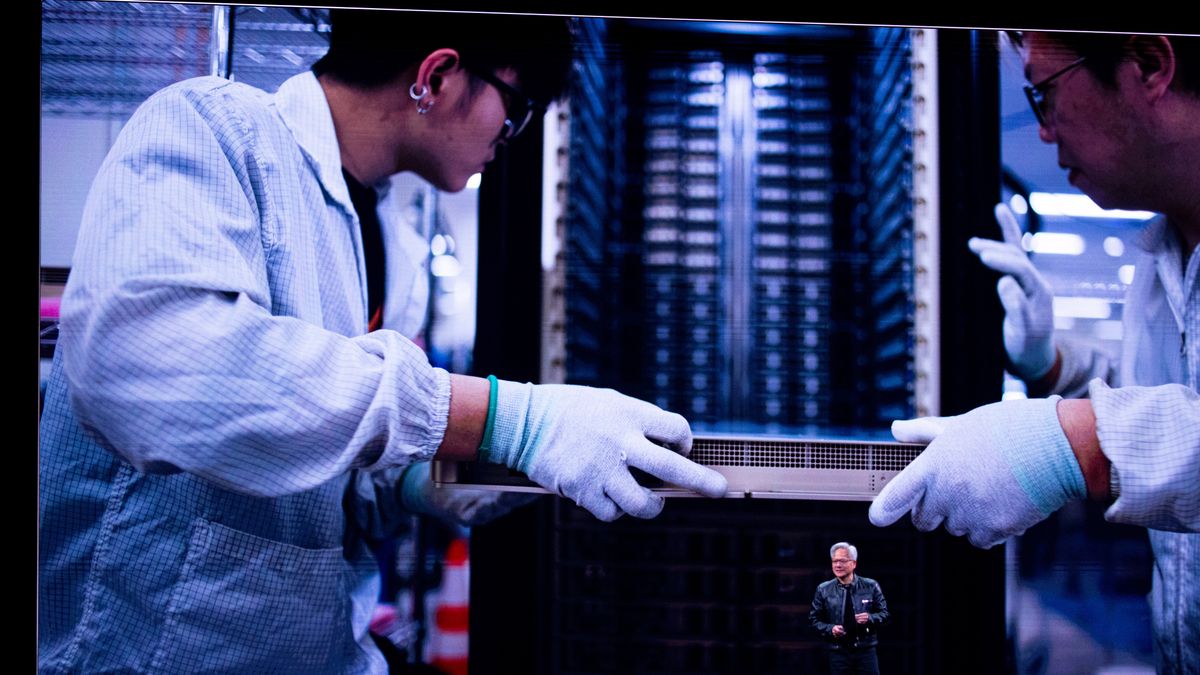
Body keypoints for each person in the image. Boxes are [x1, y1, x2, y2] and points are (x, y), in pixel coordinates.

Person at [37, 10, 727, 673]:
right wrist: (502, 419)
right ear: (437, 75)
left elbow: (322, 474)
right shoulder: (212, 127)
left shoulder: (388, 237)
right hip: (139, 650)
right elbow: (158, 370)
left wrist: (434, 480)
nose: (509, 134)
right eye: (514, 107)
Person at [869, 31, 1199, 673]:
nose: (1044, 132)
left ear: (1149, 65)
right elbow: (1166, 395)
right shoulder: (1162, 252)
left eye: (1044, 94)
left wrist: (1076, 442)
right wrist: (1051, 364)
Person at [810, 542, 889, 675]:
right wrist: (830, 628)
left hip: (866, 651)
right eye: (834, 561)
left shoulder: (870, 585)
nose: (837, 565)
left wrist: (870, 618)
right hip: (838, 652)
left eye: (842, 561)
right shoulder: (823, 589)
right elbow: (813, 620)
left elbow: (885, 614)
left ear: (854, 563)